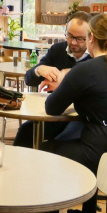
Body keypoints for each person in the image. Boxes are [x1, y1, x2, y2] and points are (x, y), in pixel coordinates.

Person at [20, 13, 107, 213]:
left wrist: (64, 84)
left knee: (47, 150)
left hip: (103, 152)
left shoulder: (87, 70)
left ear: (91, 38)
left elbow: (52, 108)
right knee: (73, 142)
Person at [13, 12, 91, 147]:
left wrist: (64, 82)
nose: (73, 42)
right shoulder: (57, 50)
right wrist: (39, 69)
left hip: (82, 118)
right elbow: (29, 80)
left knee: (61, 141)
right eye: (70, 36)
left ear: (90, 37)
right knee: (25, 131)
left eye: (80, 39)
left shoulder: (96, 56)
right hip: (55, 113)